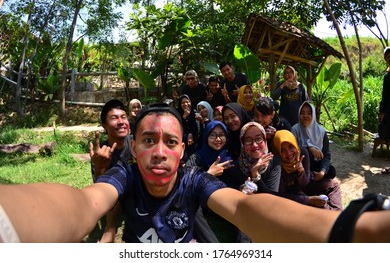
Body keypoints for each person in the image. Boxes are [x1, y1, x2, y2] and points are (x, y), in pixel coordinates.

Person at [1, 104, 390, 243]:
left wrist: (347, 231)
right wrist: (10, 224)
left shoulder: (193, 179)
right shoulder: (126, 176)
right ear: (133, 149)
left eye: (170, 141)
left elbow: (244, 208)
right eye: (148, 140)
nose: (158, 151)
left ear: (183, 150)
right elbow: (83, 202)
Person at [89, 99, 132, 242]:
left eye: (123, 117)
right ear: (104, 126)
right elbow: (100, 190)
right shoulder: (101, 152)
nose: (121, 122)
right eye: (114, 118)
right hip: (116, 195)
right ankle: (110, 228)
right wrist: (101, 168)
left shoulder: (136, 142)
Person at [186, 121, 233, 243]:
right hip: (203, 203)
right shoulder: (197, 157)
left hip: (224, 202)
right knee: (192, 207)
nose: (218, 139)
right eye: (213, 135)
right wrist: (208, 174)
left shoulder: (228, 158)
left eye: (221, 135)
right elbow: (185, 182)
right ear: (206, 136)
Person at [291, 101, 342, 210]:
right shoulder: (295, 129)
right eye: (302, 113)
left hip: (315, 165)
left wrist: (322, 172)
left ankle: (315, 178)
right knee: (304, 151)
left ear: (313, 115)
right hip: (302, 166)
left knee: (331, 170)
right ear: (299, 114)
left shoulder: (321, 131)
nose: (305, 116)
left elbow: (326, 153)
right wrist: (309, 147)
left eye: (309, 113)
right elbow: (293, 149)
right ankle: (308, 183)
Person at [273, 130, 341, 210]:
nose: (288, 153)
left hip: (304, 187)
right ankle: (333, 216)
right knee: (318, 207)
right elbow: (281, 196)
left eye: (291, 147)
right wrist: (308, 200)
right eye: (282, 150)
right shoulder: (276, 164)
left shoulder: (302, 153)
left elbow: (305, 183)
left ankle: (336, 215)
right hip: (291, 197)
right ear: (278, 152)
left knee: (333, 185)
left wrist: (301, 171)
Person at [254, 97, 291, 161]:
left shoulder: (282, 125)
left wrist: (277, 136)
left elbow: (289, 148)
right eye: (256, 115)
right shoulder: (252, 126)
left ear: (272, 115)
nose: (259, 119)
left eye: (263, 115)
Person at [176, 94, 200, 164]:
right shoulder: (177, 114)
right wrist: (184, 117)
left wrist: (190, 134)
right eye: (183, 103)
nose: (186, 104)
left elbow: (196, 128)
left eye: (187, 102)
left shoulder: (194, 113)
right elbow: (178, 128)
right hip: (182, 142)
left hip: (194, 142)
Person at [379, 47, 390, 174]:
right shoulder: (387, 76)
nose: (389, 58)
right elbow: (385, 96)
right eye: (387, 57)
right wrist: (382, 113)